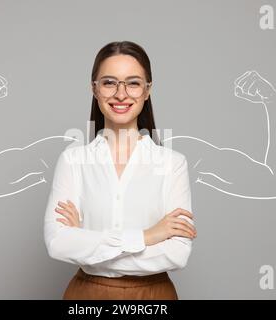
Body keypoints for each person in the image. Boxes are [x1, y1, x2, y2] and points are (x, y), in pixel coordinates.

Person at [43, 41, 196, 300]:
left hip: (153, 297)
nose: (121, 94)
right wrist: (148, 236)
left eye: (133, 83)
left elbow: (177, 253)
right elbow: (58, 244)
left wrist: (88, 245)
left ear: (147, 91)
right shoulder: (73, 161)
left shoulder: (173, 164)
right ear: (94, 88)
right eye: (109, 82)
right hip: (87, 296)